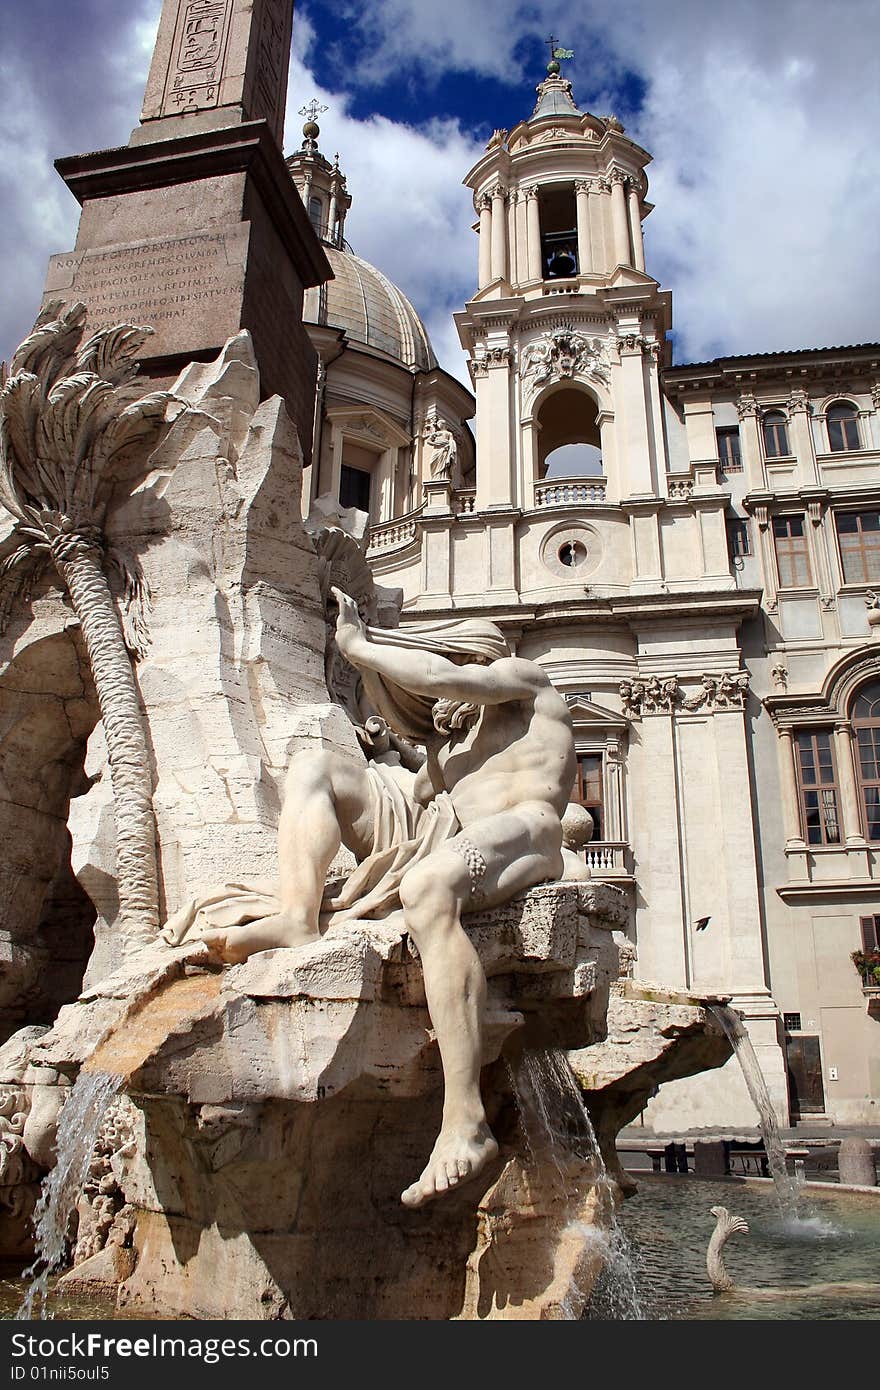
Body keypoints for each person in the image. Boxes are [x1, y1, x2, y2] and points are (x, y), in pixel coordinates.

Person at [200, 588, 576, 1208]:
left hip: (529, 830)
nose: (443, 698)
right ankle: (297, 916)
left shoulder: (526, 681)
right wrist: (379, 738)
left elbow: (440, 675)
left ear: (479, 659)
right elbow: (415, 784)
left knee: (426, 887)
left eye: (459, 663)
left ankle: (466, 1120)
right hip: (449, 830)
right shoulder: (450, 750)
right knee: (317, 767)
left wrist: (359, 648)